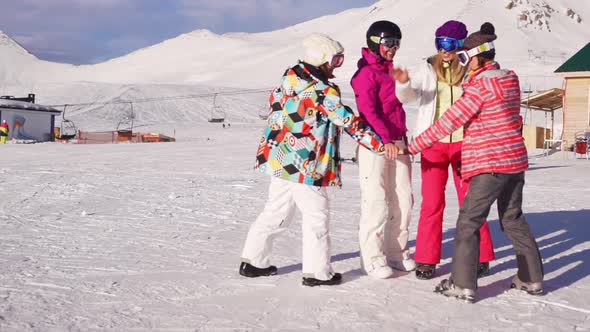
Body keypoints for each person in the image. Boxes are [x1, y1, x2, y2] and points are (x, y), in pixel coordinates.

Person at [402, 23, 544, 302]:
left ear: (478, 57)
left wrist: (414, 146)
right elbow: (513, 119)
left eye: (465, 58)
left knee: (468, 221)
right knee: (513, 218)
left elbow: (451, 121)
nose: (463, 64)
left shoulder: (480, 87)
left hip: (489, 164)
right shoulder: (509, 79)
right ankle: (531, 278)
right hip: (515, 163)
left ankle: (463, 284)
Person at [240, 33, 385, 287]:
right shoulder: (321, 90)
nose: (337, 66)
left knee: (276, 210)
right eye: (335, 60)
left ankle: (253, 260)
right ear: (321, 59)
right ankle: (317, 272)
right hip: (306, 163)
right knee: (316, 215)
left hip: (279, 159)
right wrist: (380, 145)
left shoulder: (289, 79)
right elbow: (348, 121)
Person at [392, 20, 495, 280]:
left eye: (450, 43)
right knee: (432, 203)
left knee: (471, 203)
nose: (444, 48)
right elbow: (409, 97)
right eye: (440, 42)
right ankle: (426, 259)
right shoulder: (426, 68)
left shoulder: (471, 71)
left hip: (465, 144)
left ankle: (480, 255)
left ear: (461, 45)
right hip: (432, 144)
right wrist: (404, 83)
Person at [350, 20, 415, 279]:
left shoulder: (393, 71)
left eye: (397, 43)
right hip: (375, 143)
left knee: (404, 199)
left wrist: (405, 82)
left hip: (397, 141)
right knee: (376, 200)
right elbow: (368, 111)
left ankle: (397, 253)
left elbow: (405, 102)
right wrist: (385, 139)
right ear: (375, 42)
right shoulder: (365, 74)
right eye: (389, 43)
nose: (393, 48)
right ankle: (372, 258)